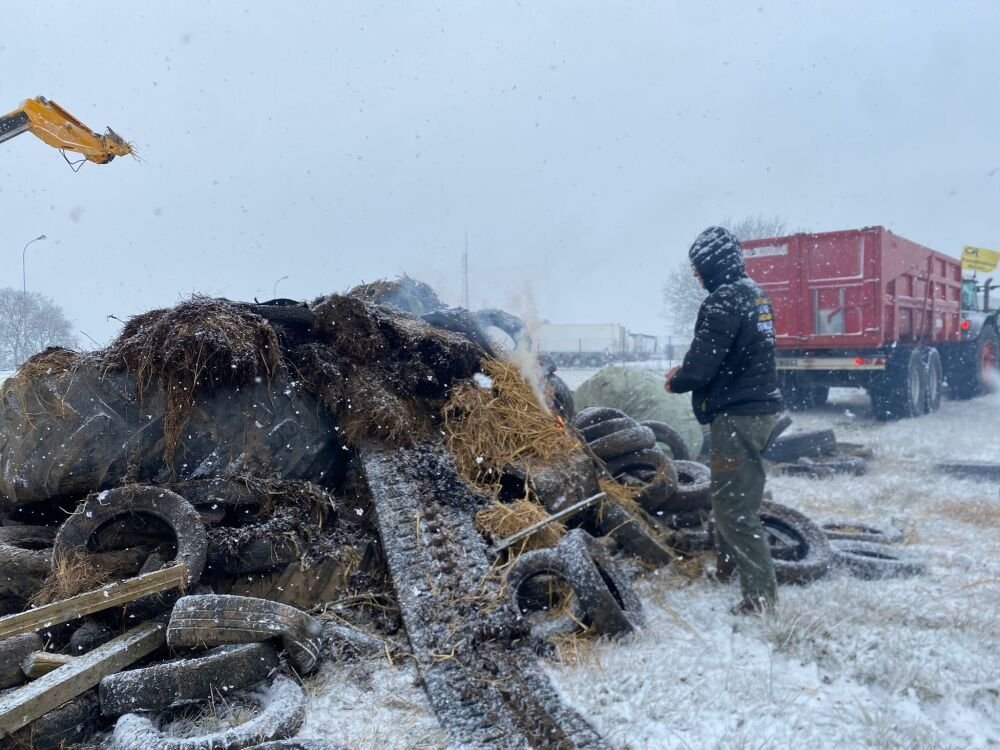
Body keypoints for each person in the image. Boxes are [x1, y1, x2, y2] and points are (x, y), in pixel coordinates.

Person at [664, 226, 783, 614]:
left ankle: (760, 599)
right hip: (760, 410)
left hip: (737, 417)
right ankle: (728, 570)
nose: (696, 276)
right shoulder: (755, 294)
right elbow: (733, 355)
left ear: (712, 265)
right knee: (733, 496)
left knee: (734, 508)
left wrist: (677, 379)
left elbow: (701, 367)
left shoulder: (722, 302)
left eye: (698, 268)